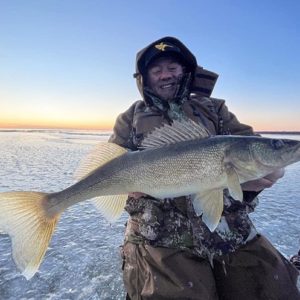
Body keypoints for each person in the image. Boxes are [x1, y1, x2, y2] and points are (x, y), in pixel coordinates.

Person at [109, 37, 300, 299]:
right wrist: (126, 191)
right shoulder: (130, 118)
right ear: (144, 78)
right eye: (156, 70)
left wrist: (259, 179)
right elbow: (111, 162)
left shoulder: (214, 109)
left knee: (274, 288)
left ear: (185, 71)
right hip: (159, 237)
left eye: (173, 68)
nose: (165, 75)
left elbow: (252, 147)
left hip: (228, 229)